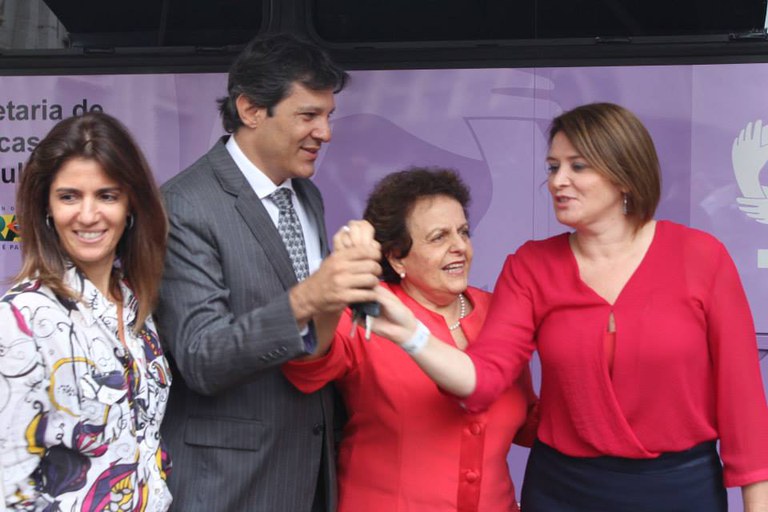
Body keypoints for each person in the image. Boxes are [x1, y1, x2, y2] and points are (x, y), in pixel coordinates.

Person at [368, 103, 768, 511]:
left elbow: (744, 406)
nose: (558, 181)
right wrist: (410, 335)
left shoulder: (701, 257)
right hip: (563, 491)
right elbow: (484, 379)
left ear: (625, 174)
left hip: (680, 490)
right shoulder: (531, 266)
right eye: (552, 167)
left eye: (578, 167)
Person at [156, 33, 381, 512]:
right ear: (251, 110)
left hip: (308, 471)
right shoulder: (182, 206)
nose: (326, 132)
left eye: (328, 116)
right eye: (308, 116)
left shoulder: (307, 196)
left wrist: (352, 293)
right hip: (227, 484)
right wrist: (306, 299)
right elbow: (200, 357)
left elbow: (313, 341)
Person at [283, 167, 538, 512]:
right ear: (396, 256)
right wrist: (334, 286)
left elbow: (529, 426)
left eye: (463, 232)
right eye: (439, 237)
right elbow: (305, 367)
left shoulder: (500, 312)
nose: (460, 247)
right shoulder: (370, 312)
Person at [0, 112, 172, 510]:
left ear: (131, 205)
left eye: (107, 195)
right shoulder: (20, 320)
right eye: (69, 196)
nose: (89, 214)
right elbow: (9, 489)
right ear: (46, 207)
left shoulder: (137, 308)